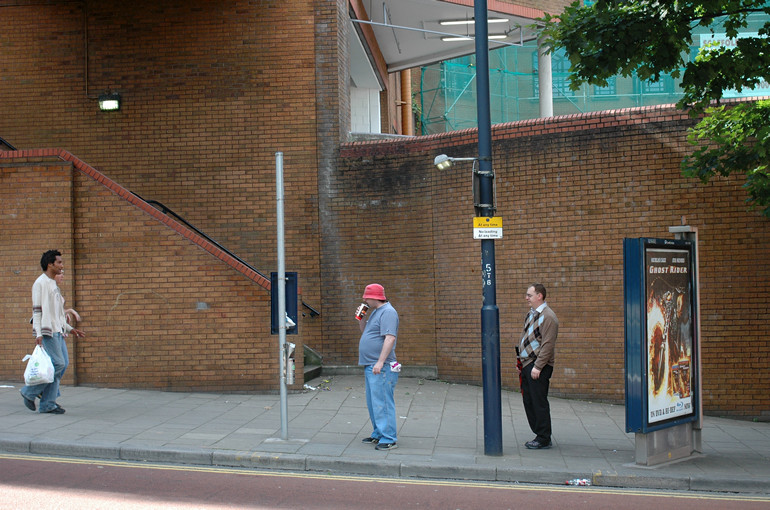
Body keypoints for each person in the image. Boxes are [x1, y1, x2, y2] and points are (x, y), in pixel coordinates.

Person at [21, 250, 85, 414]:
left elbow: (58, 314)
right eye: (59, 263)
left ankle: (48, 404)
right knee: (58, 364)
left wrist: (70, 329)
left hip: (58, 331)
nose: (62, 266)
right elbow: (37, 311)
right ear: (50, 264)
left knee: (62, 366)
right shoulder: (40, 283)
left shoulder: (53, 285)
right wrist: (39, 333)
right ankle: (29, 392)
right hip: (48, 332)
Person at [357, 283, 400, 451]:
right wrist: (361, 319)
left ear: (375, 297)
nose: (364, 299)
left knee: (382, 402)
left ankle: (389, 438)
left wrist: (380, 362)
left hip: (381, 367)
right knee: (373, 402)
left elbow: (390, 338)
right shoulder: (376, 312)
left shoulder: (389, 312)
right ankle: (379, 433)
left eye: (366, 297)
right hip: (371, 365)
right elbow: (367, 333)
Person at [517, 283, 558, 449]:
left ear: (539, 296)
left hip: (538, 365)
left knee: (538, 401)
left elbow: (547, 345)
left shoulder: (548, 317)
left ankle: (543, 437)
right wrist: (521, 360)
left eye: (529, 295)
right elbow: (526, 336)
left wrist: (538, 366)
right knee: (529, 401)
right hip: (528, 364)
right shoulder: (531, 314)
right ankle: (538, 434)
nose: (527, 298)